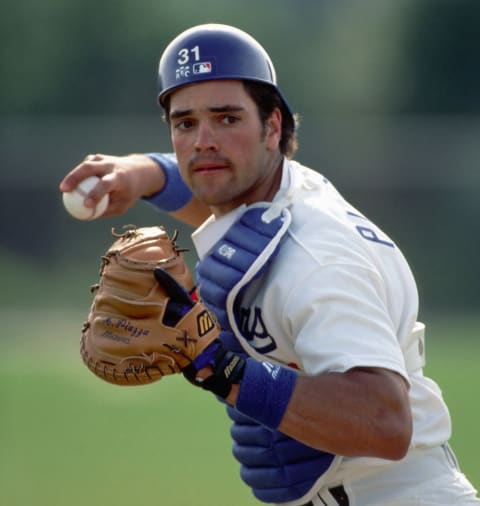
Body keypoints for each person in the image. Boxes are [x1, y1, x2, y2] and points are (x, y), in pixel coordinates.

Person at [60, 24, 479, 506]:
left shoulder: (318, 259)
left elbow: (384, 423)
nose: (203, 141)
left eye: (227, 118)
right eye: (185, 123)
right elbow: (213, 188)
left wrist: (217, 366)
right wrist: (143, 173)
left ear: (273, 126)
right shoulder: (268, 200)